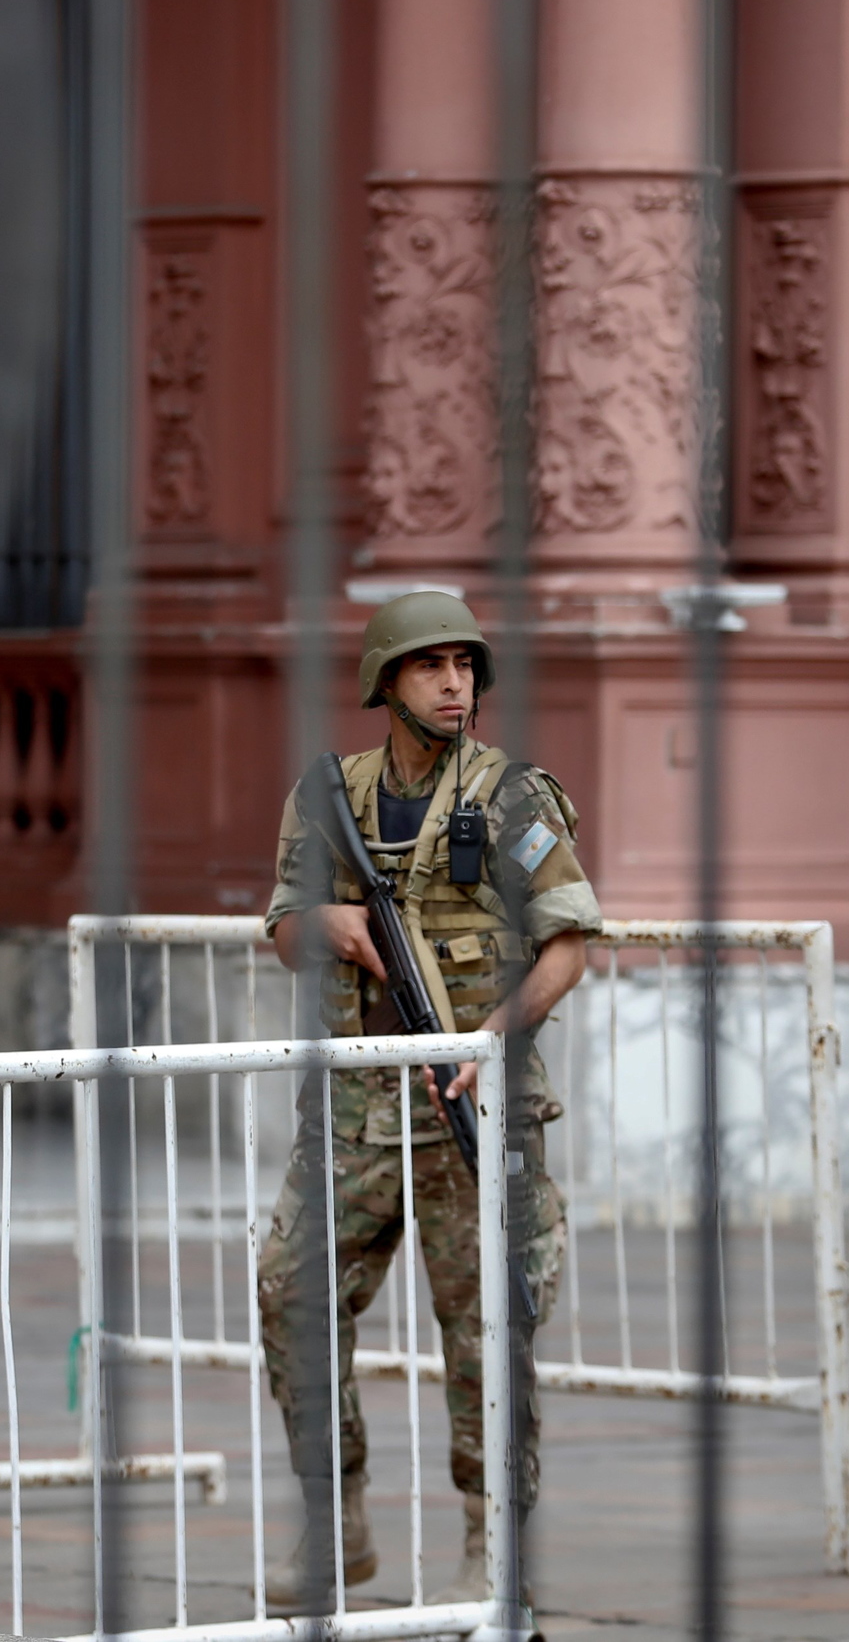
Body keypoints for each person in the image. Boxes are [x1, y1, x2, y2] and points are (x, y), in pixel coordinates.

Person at [256, 590, 599, 1609]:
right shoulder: (327, 794)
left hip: (473, 1114)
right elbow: (278, 925)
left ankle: (489, 1540)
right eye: (428, 665)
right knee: (289, 1293)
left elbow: (568, 944)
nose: (453, 682)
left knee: (486, 1333)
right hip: (354, 1113)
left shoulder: (511, 798)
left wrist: (487, 1039)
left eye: (464, 664)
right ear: (384, 682)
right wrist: (325, 919)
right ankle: (335, 1517)